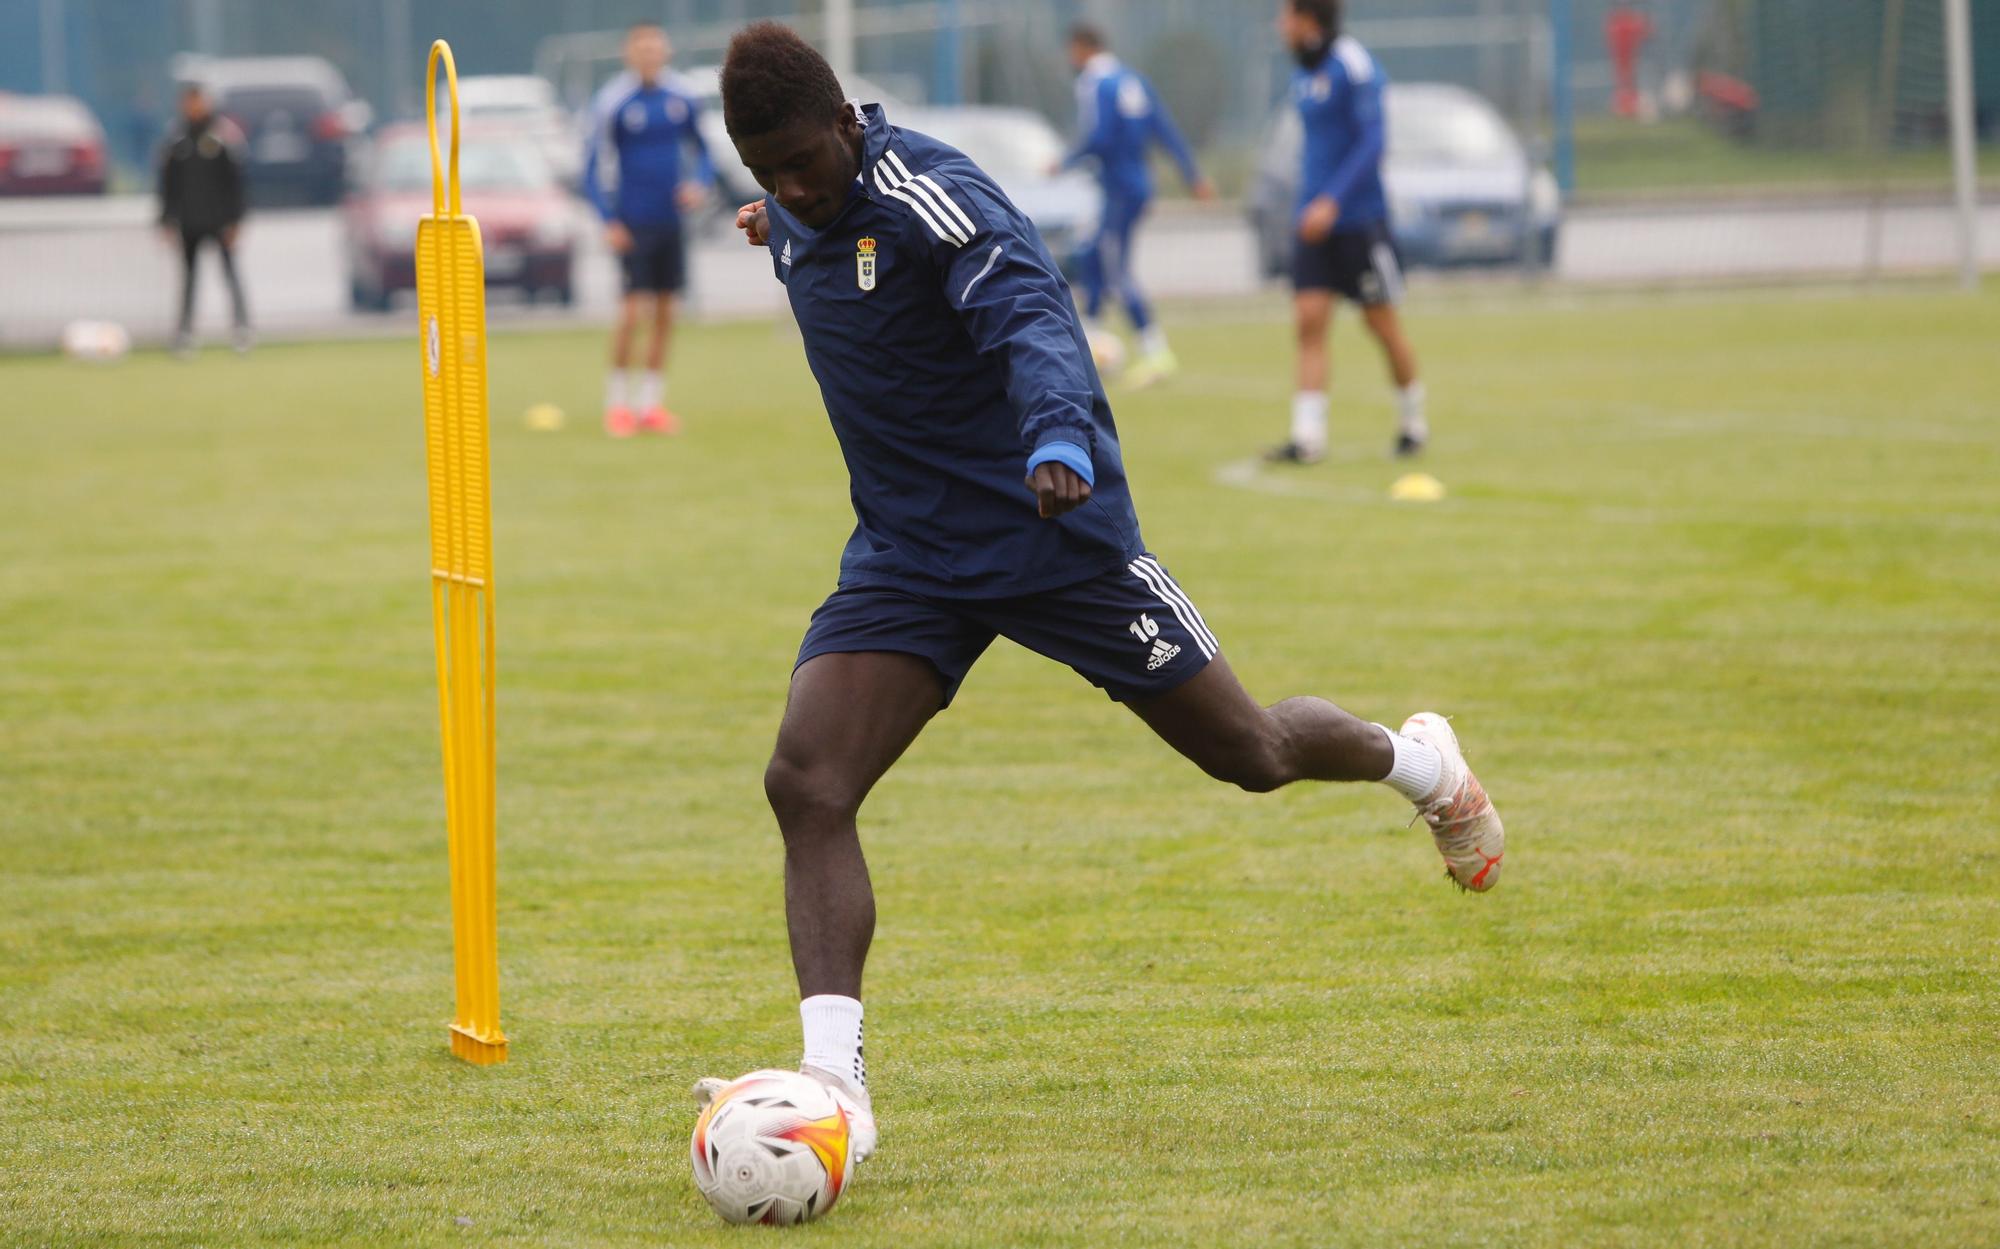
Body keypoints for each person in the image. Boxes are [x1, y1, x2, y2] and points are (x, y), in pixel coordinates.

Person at [702, 20, 1504, 1170]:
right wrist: (772, 217)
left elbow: (1030, 309)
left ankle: (1420, 762)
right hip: (910, 557)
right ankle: (836, 1087)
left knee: (1253, 752)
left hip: (1050, 529)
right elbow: (806, 239)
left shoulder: (931, 195)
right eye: (761, 175)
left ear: (846, 122)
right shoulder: (792, 217)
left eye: (801, 166)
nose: (788, 190)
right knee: (806, 780)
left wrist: (1057, 435)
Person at [1269, 0, 1428, 463]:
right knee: (1309, 322)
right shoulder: (1303, 73)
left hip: (1358, 222)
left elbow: (1373, 141)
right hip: (1313, 226)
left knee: (1380, 325)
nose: (1281, 26)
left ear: (1309, 20)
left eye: (1286, 17)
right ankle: (1307, 439)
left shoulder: (1354, 66)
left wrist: (1332, 201)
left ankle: (1413, 420)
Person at [1057, 23, 1214, 388]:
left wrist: (1065, 162)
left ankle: (1155, 351)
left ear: (1082, 49)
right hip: (1137, 184)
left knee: (1114, 266)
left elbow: (1100, 135)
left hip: (1120, 188)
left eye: (1071, 52)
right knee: (1094, 253)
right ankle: (1088, 346)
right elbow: (1164, 128)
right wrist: (1193, 175)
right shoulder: (1131, 79)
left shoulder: (1095, 82)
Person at [584, 22, 715, 437]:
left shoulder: (682, 97)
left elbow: (704, 151)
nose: (649, 55)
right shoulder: (613, 102)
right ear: (629, 54)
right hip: (632, 224)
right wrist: (608, 220)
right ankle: (617, 404)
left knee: (664, 314)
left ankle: (650, 405)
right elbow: (589, 169)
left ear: (666, 53)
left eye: (656, 48)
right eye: (642, 49)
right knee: (631, 313)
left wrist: (699, 183)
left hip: (670, 222)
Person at [157, 84, 250, 358]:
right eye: (190, 101)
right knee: (188, 279)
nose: (194, 106)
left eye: (198, 100)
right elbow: (167, 185)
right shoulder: (177, 140)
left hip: (220, 220)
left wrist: (236, 220)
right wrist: (166, 219)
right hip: (189, 221)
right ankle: (185, 333)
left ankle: (241, 328)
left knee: (230, 275)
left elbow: (236, 184)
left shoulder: (222, 137)